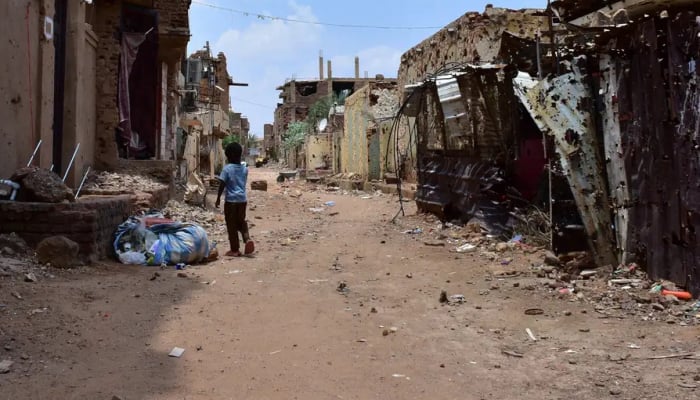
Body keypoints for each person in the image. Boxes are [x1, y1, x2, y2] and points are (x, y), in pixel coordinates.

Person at [215, 142, 255, 257]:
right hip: (242, 200)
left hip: (231, 201)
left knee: (231, 225)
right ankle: (247, 239)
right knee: (241, 221)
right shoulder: (244, 169)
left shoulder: (226, 169)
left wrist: (218, 199)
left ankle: (235, 249)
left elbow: (222, 184)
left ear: (230, 156)